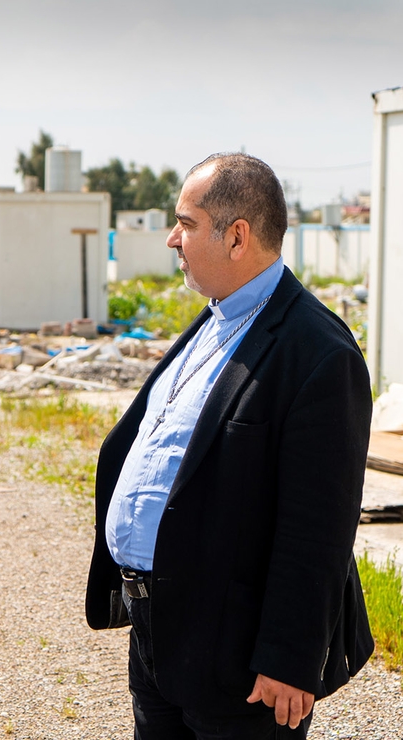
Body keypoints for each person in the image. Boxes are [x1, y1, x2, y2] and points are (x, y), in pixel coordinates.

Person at [85, 153, 374, 739]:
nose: (172, 239)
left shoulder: (317, 352)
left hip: (238, 656)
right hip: (161, 636)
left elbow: (319, 525)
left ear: (237, 236)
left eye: (186, 224)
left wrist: (289, 658)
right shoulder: (216, 320)